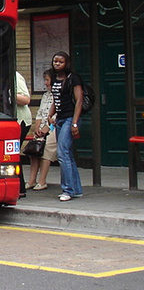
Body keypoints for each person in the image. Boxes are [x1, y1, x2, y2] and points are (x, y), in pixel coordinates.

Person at [47, 51, 84, 202]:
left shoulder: (73, 78)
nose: (57, 64)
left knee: (62, 153)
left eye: (60, 62)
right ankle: (76, 190)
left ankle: (67, 190)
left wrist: (75, 122)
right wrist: (50, 115)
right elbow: (56, 99)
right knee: (67, 154)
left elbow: (79, 100)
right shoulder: (55, 79)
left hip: (70, 118)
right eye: (55, 61)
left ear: (66, 63)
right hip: (60, 119)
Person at [28, 68, 57, 190]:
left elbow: (57, 114)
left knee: (46, 152)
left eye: (47, 80)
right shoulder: (45, 95)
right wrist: (37, 127)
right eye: (45, 80)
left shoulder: (58, 94)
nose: (45, 83)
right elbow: (40, 112)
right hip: (42, 128)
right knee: (34, 151)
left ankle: (42, 180)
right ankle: (31, 180)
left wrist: (48, 127)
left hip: (53, 127)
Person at [16, 71, 32, 197]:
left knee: (14, 152)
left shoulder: (15, 76)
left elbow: (26, 99)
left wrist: (9, 93)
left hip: (20, 121)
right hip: (7, 120)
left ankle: (20, 188)